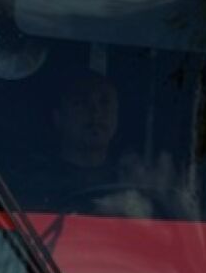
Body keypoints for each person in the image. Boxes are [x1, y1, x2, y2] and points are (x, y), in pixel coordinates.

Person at [45, 71, 195, 220]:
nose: (95, 112)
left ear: (117, 116)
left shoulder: (135, 179)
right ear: (58, 117)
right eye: (81, 102)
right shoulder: (39, 180)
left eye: (105, 102)